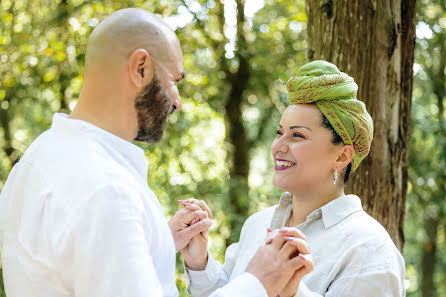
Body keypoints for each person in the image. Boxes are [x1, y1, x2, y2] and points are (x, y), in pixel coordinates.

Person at [0, 8, 310, 297]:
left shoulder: (37, 159)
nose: (178, 103)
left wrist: (157, 241)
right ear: (141, 68)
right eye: (174, 81)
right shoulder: (107, 190)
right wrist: (257, 283)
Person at [182, 60, 406, 297]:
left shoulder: (368, 248)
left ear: (342, 156)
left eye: (297, 135)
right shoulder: (258, 225)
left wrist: (293, 292)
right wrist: (199, 262)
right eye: (279, 133)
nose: (278, 146)